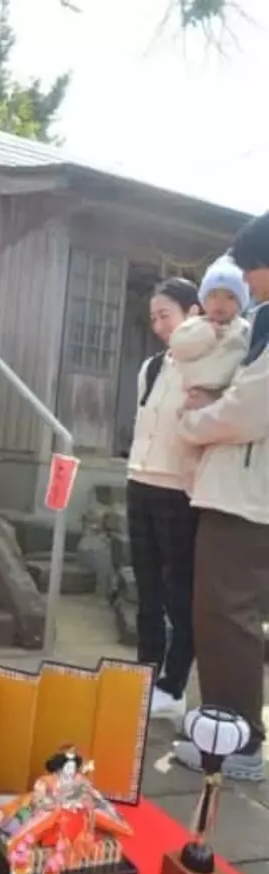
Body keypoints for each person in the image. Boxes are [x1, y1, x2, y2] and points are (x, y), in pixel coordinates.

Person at [173, 215, 269, 782]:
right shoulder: (259, 323)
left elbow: (249, 411)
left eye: (252, 269)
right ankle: (228, 725)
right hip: (244, 488)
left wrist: (193, 421)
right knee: (228, 612)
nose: (247, 282)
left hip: (246, 494)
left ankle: (236, 738)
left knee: (225, 612)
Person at [126, 278, 202, 724]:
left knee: (180, 594)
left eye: (165, 315)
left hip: (179, 490)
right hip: (140, 481)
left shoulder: (208, 368)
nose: (158, 325)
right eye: (153, 317)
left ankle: (174, 686)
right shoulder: (152, 368)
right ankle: (143, 677)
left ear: (193, 314)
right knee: (147, 590)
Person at [170, 256, 250, 395]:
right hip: (191, 393)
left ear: (241, 304)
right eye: (213, 296)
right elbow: (178, 346)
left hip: (226, 395)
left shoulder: (245, 330)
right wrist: (208, 334)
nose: (220, 303)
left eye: (230, 297)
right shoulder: (194, 326)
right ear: (204, 301)